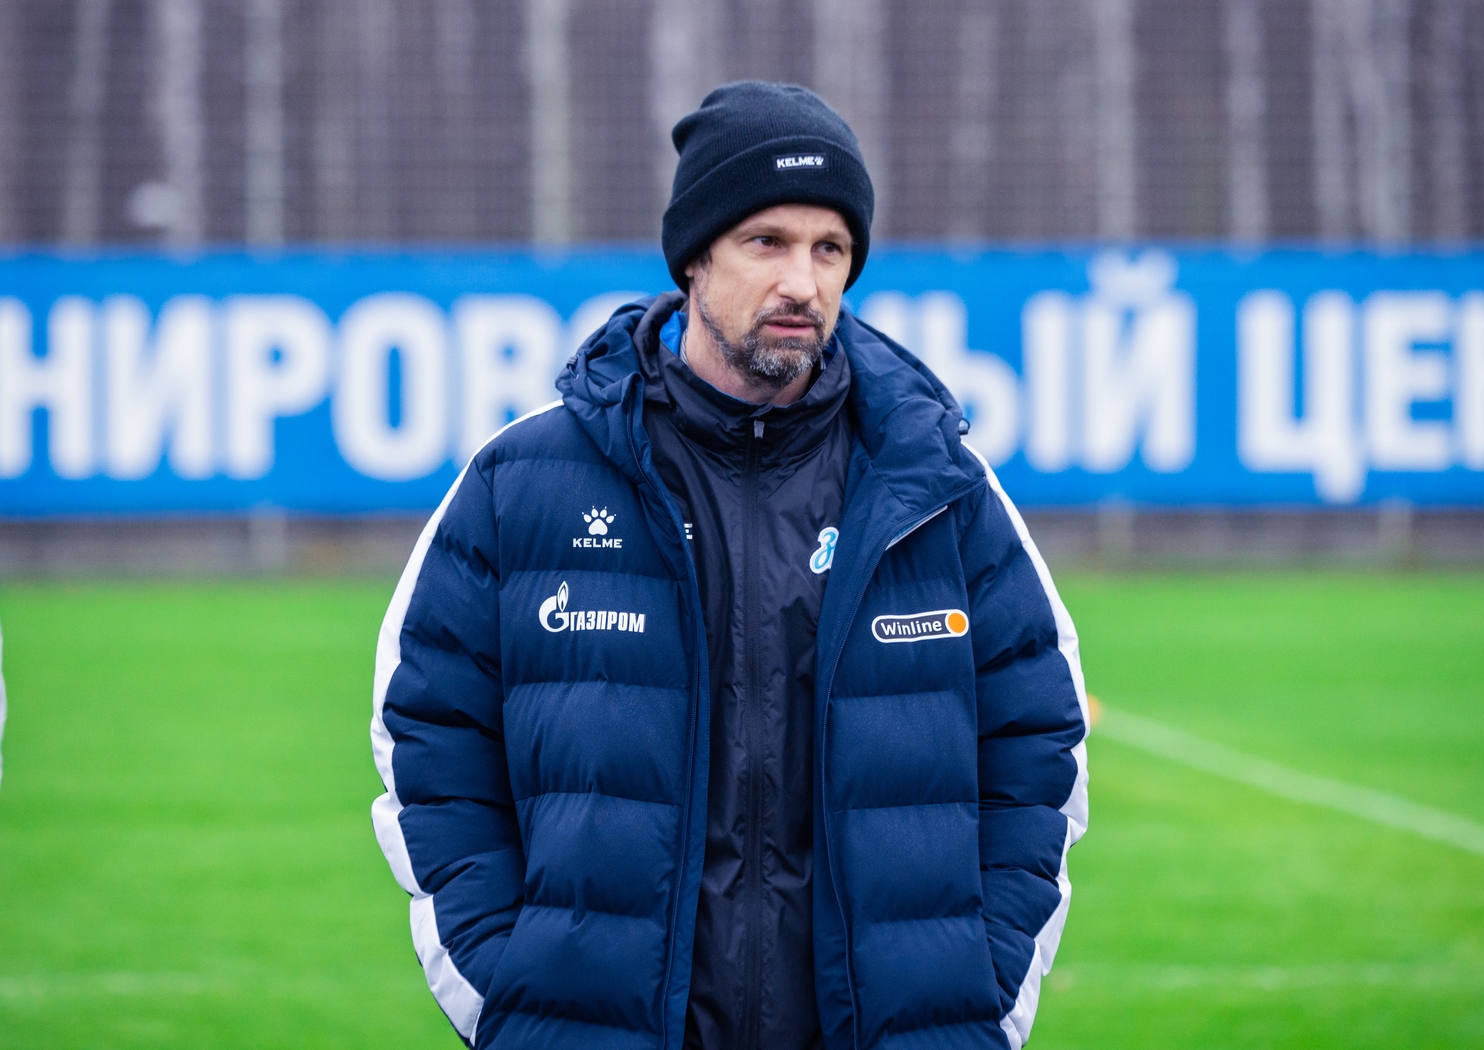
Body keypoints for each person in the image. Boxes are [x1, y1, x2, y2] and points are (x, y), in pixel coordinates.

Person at [370, 81, 1088, 1050]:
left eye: (829, 249)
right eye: (767, 242)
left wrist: (978, 998)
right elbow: (428, 734)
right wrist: (513, 993)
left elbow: (1039, 744)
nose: (803, 282)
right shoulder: (522, 482)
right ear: (694, 257)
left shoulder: (936, 489)